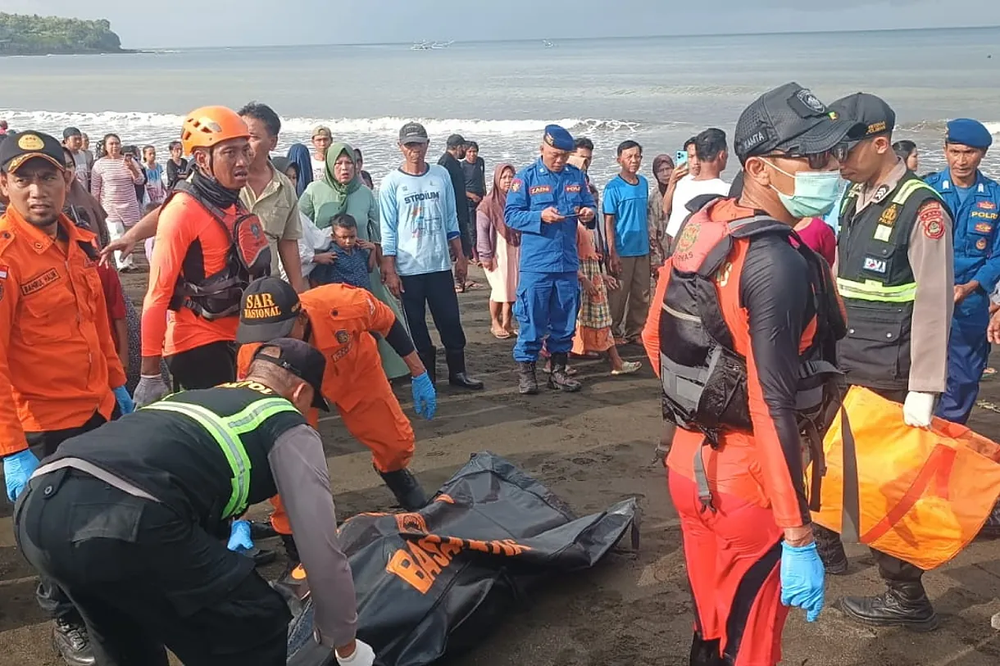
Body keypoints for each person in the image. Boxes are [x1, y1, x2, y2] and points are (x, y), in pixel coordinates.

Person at [642, 82, 859, 666]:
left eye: (832, 154)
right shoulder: (778, 260)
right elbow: (771, 403)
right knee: (754, 644)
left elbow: (652, 336)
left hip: (688, 468)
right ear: (759, 168)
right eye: (812, 157)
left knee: (713, 622)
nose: (830, 167)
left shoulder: (703, 223)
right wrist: (797, 534)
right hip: (751, 485)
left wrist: (698, 405)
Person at [15, 337, 377, 666]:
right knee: (254, 623)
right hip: (127, 519)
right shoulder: (283, 420)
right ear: (300, 393)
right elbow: (320, 548)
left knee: (126, 639)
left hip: (39, 510)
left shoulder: (187, 401)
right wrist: (344, 644)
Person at [816, 92, 954, 631]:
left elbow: (935, 303)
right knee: (825, 462)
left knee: (879, 487)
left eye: (844, 149)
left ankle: (906, 594)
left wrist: (924, 385)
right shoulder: (857, 197)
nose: (835, 160)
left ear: (879, 143)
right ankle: (827, 546)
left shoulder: (923, 209)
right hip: (844, 362)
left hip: (888, 375)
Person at [0, 130, 132, 665]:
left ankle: (102, 597)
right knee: (49, 533)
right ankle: (63, 617)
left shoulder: (78, 242)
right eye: (23, 178)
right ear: (4, 185)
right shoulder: (6, 257)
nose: (37, 190)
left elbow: (96, 324)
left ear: (67, 180)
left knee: (99, 515)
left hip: (95, 410)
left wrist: (118, 385)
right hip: (40, 425)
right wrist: (11, 447)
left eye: (48, 175)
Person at [236, 278, 434, 544]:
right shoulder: (252, 353)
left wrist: (418, 371)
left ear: (302, 318)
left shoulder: (344, 305)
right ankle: (291, 530)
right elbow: (251, 431)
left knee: (396, 442)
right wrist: (238, 517)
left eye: (281, 331)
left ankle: (394, 472)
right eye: (264, 334)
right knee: (286, 458)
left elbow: (387, 322)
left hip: (354, 371)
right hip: (290, 390)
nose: (274, 342)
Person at [133, 106, 270, 406]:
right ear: (201, 160)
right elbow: (157, 294)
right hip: (196, 345)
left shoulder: (232, 203)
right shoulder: (183, 211)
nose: (242, 161)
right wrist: (149, 375)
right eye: (230, 153)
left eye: (245, 151)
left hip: (238, 338)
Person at [379, 122, 483, 390]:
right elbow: (388, 230)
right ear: (400, 147)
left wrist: (461, 256)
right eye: (409, 145)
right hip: (408, 267)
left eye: (419, 144)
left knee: (449, 319)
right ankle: (426, 377)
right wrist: (389, 269)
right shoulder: (392, 182)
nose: (415, 150)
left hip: (438, 264)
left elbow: (451, 218)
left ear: (427, 145)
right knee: (416, 325)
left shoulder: (440, 175)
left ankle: (458, 372)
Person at [299, 141, 412, 379]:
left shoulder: (364, 193)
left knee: (376, 321)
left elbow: (381, 231)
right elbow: (297, 228)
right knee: (330, 328)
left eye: (349, 162)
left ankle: (386, 371)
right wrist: (313, 259)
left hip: (364, 271)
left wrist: (381, 259)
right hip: (327, 272)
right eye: (338, 163)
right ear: (330, 165)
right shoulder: (313, 191)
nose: (344, 168)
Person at [505, 124, 597, 395]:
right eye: (555, 155)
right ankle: (527, 373)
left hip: (567, 262)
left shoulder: (575, 177)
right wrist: (539, 217)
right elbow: (510, 215)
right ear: (542, 149)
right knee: (532, 319)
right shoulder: (526, 178)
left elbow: (590, 205)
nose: (559, 161)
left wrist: (587, 213)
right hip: (537, 263)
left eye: (564, 156)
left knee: (565, 319)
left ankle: (558, 371)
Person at [924, 119, 1000, 425]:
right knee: (920, 373)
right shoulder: (926, 191)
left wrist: (970, 287)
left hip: (970, 303)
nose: (961, 160)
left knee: (965, 378)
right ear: (944, 151)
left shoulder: (995, 197)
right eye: (954, 151)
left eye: (969, 152)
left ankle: (948, 439)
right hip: (926, 298)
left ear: (981, 154)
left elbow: (998, 254)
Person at [237, 102, 306, 292]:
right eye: (239, 135)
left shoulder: (284, 187)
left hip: (267, 291)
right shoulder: (220, 179)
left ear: (272, 142)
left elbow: (288, 243)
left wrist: (299, 294)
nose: (244, 144)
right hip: (226, 290)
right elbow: (179, 204)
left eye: (252, 137)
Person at [572, 218, 641, 376]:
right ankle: (555, 362)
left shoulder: (585, 225)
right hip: (582, 280)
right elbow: (567, 256)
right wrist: (583, 278)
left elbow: (587, 257)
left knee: (598, 320)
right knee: (572, 320)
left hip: (590, 278)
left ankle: (616, 361)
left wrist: (600, 275)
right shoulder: (573, 225)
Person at [604, 140, 651, 345]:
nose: (634, 160)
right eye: (629, 156)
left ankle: (635, 331)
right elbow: (609, 221)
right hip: (622, 250)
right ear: (619, 159)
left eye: (637, 156)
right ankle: (613, 332)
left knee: (642, 294)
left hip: (642, 248)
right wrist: (612, 252)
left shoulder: (643, 182)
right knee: (618, 295)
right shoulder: (613, 187)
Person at [477, 163, 520, 338]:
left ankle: (507, 323)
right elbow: (481, 231)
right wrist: (485, 255)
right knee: (499, 288)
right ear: (496, 179)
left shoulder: (517, 200)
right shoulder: (487, 204)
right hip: (497, 250)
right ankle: (494, 322)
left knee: (512, 288)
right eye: (504, 177)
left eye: (511, 177)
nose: (508, 181)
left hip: (515, 249)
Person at [91, 133, 145, 272]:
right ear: (105, 146)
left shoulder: (129, 161)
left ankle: (129, 260)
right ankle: (122, 263)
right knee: (116, 233)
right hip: (110, 204)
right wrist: (95, 206)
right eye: (111, 144)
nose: (114, 146)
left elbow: (140, 181)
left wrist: (131, 168)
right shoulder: (99, 164)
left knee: (130, 234)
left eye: (117, 143)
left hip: (129, 202)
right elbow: (95, 187)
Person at [665, 128, 730, 241]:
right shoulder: (727, 192)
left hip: (680, 254)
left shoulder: (681, 186)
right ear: (722, 155)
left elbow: (672, 234)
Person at [437, 134, 475, 289]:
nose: (465, 151)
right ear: (458, 147)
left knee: (464, 247)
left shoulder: (453, 162)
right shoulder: (445, 163)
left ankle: (462, 280)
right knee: (457, 248)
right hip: (453, 214)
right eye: (464, 148)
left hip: (460, 212)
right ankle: (458, 281)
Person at [309, 213, 376, 289]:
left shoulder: (359, 250)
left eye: (352, 237)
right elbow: (315, 279)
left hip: (363, 296)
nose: (348, 241)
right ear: (333, 237)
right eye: (344, 237)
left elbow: (369, 268)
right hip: (342, 298)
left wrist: (373, 249)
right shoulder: (331, 256)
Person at [648, 153, 674, 271]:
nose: (665, 174)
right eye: (661, 171)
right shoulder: (654, 197)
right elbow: (652, 231)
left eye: (668, 169)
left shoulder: (682, 189)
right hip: (662, 248)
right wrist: (656, 261)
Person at [463, 140, 486, 260]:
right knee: (472, 228)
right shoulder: (462, 166)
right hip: (469, 200)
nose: (473, 154)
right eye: (470, 152)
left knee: (482, 226)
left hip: (481, 198)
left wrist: (485, 195)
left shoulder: (480, 161)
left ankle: (484, 252)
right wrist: (471, 196)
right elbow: (459, 186)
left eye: (475, 151)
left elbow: (482, 180)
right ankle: (474, 256)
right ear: (466, 152)